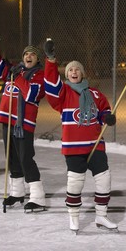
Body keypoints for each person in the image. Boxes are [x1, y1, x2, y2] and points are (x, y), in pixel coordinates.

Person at [43, 39, 118, 233]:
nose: (74, 72)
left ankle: (101, 216)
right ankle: (74, 217)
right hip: (74, 147)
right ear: (66, 74)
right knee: (75, 182)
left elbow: (103, 111)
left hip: (95, 145)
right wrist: (51, 60)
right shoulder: (62, 94)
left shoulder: (95, 93)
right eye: (70, 70)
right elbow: (50, 85)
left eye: (77, 69)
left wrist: (107, 117)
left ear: (82, 73)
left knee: (104, 179)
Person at [0, 35, 46, 212]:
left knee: (25, 158)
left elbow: (30, 94)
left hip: (24, 123)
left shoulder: (39, 75)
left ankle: (37, 198)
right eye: (26, 54)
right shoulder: (15, 70)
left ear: (37, 59)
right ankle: (17, 193)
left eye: (32, 55)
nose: (28, 56)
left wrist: (17, 78)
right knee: (12, 159)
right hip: (7, 119)